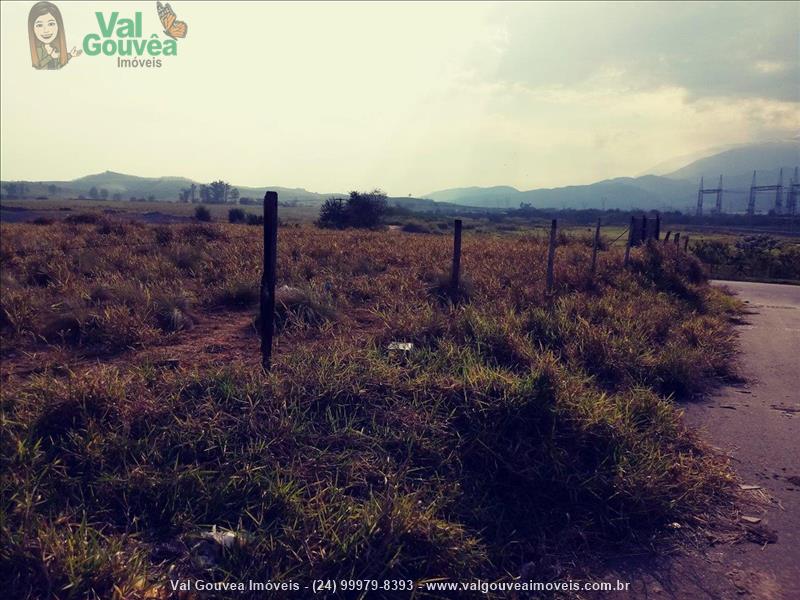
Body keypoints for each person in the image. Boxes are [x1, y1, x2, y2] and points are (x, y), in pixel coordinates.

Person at [28, 1, 81, 70]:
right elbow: (38, 66)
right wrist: (50, 56)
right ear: (32, 28)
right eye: (39, 25)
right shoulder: (38, 49)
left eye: (51, 24)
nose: (46, 30)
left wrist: (71, 55)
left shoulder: (55, 47)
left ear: (58, 25)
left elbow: (59, 66)